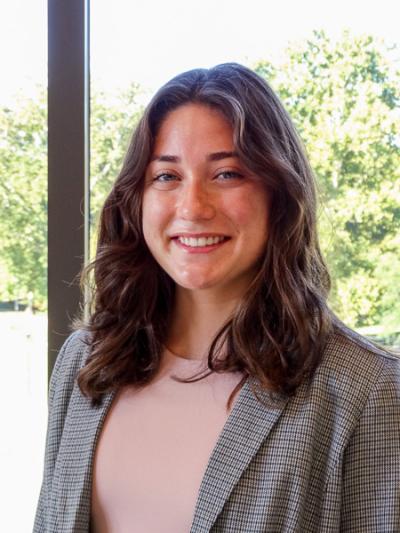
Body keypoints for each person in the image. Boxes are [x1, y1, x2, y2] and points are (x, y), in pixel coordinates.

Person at [34, 63, 400, 533]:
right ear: (137, 199)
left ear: (279, 195)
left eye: (227, 174)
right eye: (166, 176)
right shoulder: (85, 362)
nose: (193, 207)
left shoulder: (367, 391)